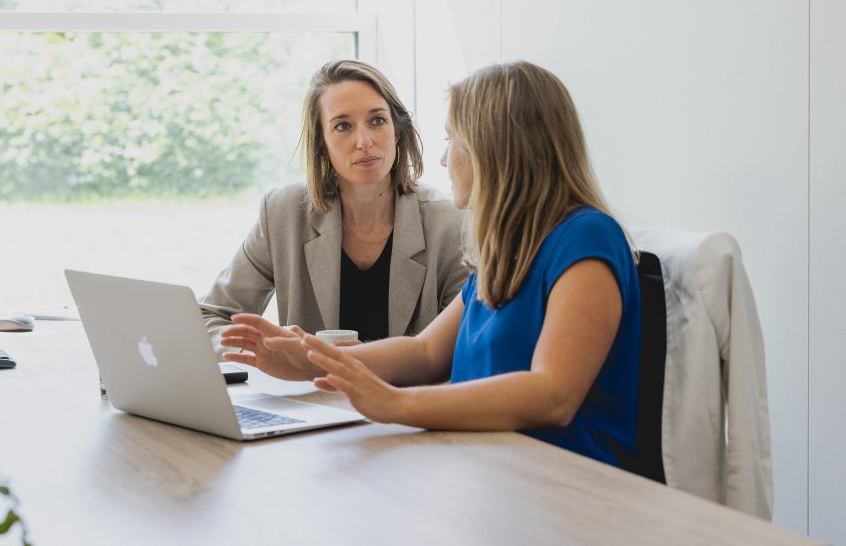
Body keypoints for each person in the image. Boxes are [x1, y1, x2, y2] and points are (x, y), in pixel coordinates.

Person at [221, 61, 642, 468]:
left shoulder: (587, 236)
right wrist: (308, 358)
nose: (444, 161)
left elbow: (552, 394)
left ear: (494, 148)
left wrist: (397, 404)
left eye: (451, 141)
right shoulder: (508, 250)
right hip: (480, 465)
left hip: (558, 482)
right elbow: (425, 353)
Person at [200, 59, 469, 353]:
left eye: (377, 120)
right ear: (322, 146)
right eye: (343, 126)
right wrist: (265, 353)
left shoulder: (450, 223)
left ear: (397, 131)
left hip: (406, 396)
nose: (364, 141)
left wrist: (365, 359)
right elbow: (210, 317)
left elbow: (464, 351)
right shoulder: (283, 213)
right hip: (306, 397)